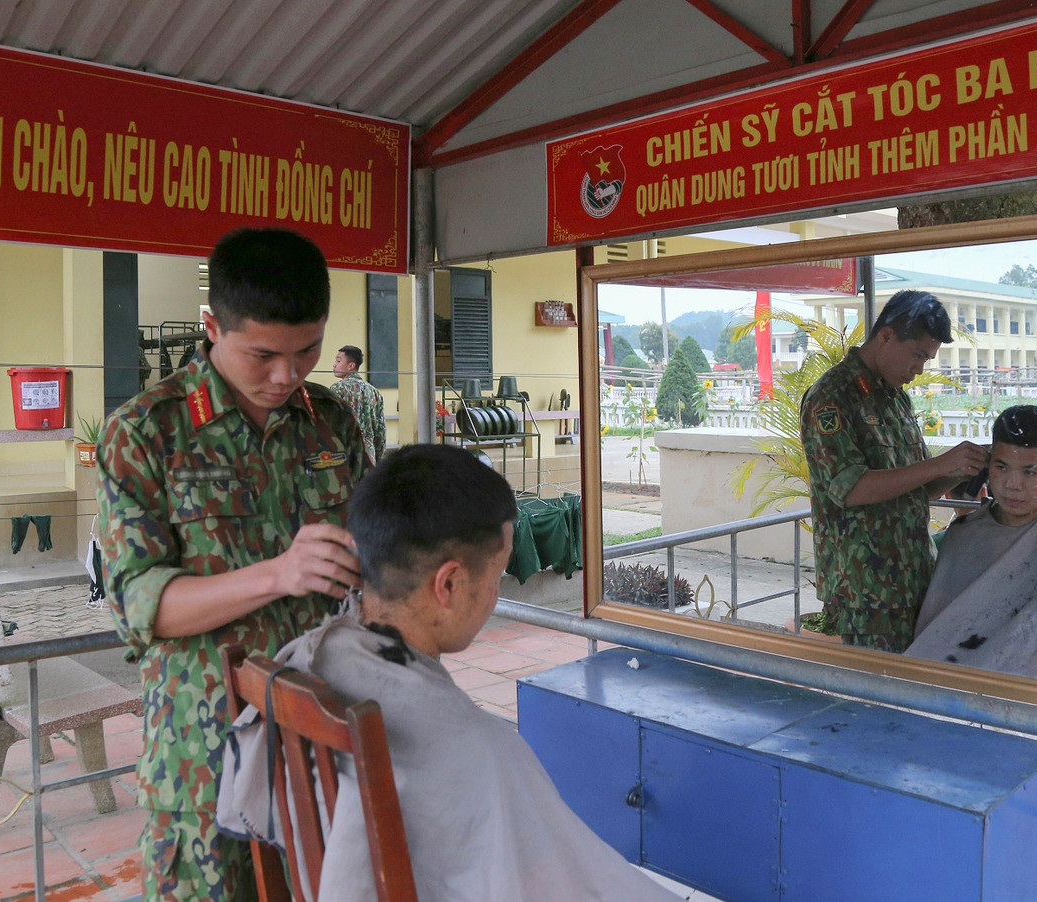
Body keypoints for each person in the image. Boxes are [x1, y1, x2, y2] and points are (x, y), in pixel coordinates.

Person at [216, 444, 681, 901]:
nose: (495, 594)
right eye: (497, 575)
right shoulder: (483, 752)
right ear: (451, 584)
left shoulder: (310, 655)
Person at [98, 227, 369, 901]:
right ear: (212, 326)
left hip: (322, 742)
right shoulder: (147, 431)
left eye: (307, 350)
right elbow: (144, 607)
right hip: (204, 757)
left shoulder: (331, 423)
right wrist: (280, 572)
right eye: (262, 354)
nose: (286, 374)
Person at [800, 289, 988, 652]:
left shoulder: (894, 397)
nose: (919, 369)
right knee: (877, 698)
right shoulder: (832, 396)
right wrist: (939, 463)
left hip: (912, 578)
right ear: (886, 335)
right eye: (918, 355)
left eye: (927, 359)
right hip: (866, 594)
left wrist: (962, 469)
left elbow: (917, 488)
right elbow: (850, 490)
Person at [906, 405, 1037, 690]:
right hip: (952, 688)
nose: (1013, 485)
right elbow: (936, 634)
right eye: (1002, 468)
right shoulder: (962, 537)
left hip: (1035, 695)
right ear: (987, 466)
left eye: (1030, 472)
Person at [329, 344, 387, 463]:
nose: (334, 364)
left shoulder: (337, 389)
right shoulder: (374, 392)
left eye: (338, 361)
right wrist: (378, 458)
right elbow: (380, 431)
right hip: (369, 456)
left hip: (344, 454)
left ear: (351, 365)